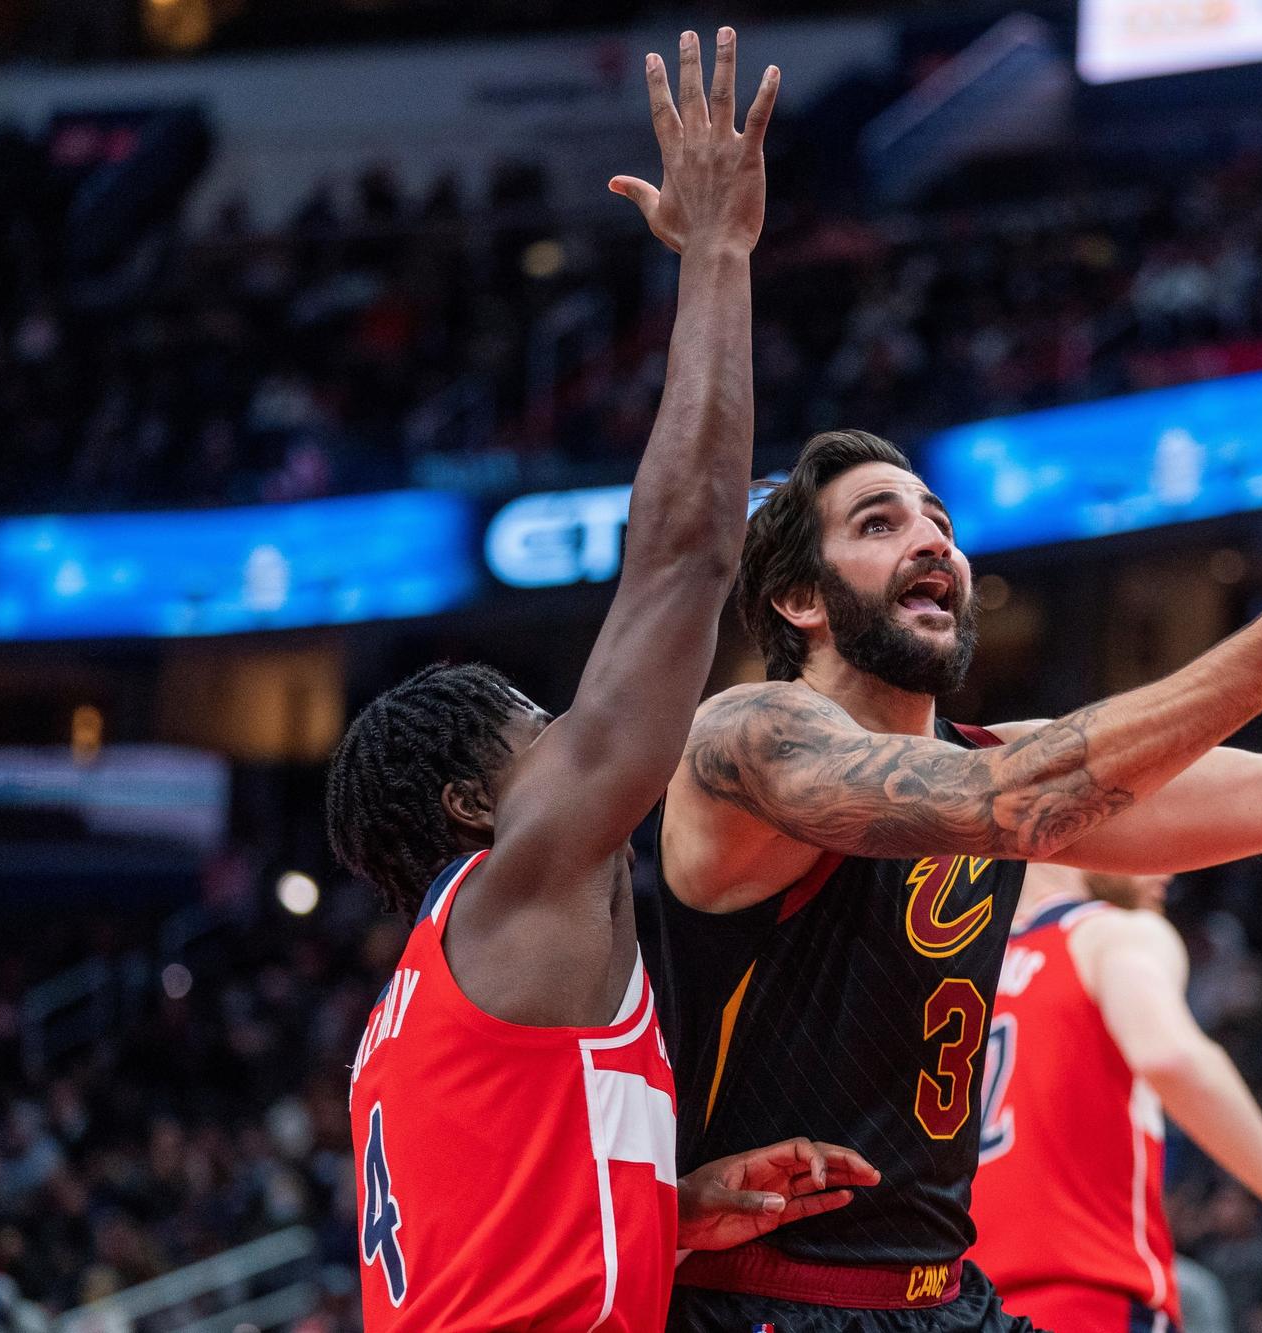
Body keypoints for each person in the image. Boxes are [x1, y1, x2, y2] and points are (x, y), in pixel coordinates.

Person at [654, 423, 1262, 1330]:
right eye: (878, 522)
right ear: (799, 598)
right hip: (770, 1301)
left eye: (940, 523)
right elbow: (985, 802)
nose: (930, 542)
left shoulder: (999, 756)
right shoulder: (748, 735)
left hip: (948, 1295)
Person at [325, 33, 874, 1330]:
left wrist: (662, 1209)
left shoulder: (420, 1014)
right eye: (539, 726)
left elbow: (492, 1239)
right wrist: (721, 257)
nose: (579, 731)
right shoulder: (527, 871)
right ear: (473, 801)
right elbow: (687, 551)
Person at [967, 863, 1262, 1333]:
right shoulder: (1112, 932)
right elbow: (1170, 1056)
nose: (1172, 865)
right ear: (1086, 825)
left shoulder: (961, 975)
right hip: (1090, 1300)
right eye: (1152, 829)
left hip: (965, 1310)